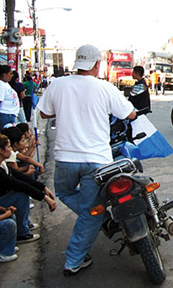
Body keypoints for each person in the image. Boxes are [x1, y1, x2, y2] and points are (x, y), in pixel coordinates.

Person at [36, 44, 137, 276]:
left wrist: (64, 109)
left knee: (64, 193)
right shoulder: (105, 88)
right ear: (97, 64)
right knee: (90, 210)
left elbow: (44, 113)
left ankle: (96, 215)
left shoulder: (58, 84)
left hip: (65, 159)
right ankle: (73, 259)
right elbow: (129, 114)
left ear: (77, 63)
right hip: (97, 161)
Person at [0, 135, 56, 243]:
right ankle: (22, 233)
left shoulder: (0, 164)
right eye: (9, 147)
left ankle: (24, 223)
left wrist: (43, 187)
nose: (11, 150)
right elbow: (16, 184)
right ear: (1, 151)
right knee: (20, 195)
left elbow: (19, 177)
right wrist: (44, 197)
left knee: (21, 191)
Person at [0, 65, 20, 131]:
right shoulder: (0, 85)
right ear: (4, 74)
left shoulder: (5, 83)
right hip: (5, 114)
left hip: (10, 114)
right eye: (10, 73)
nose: (12, 75)